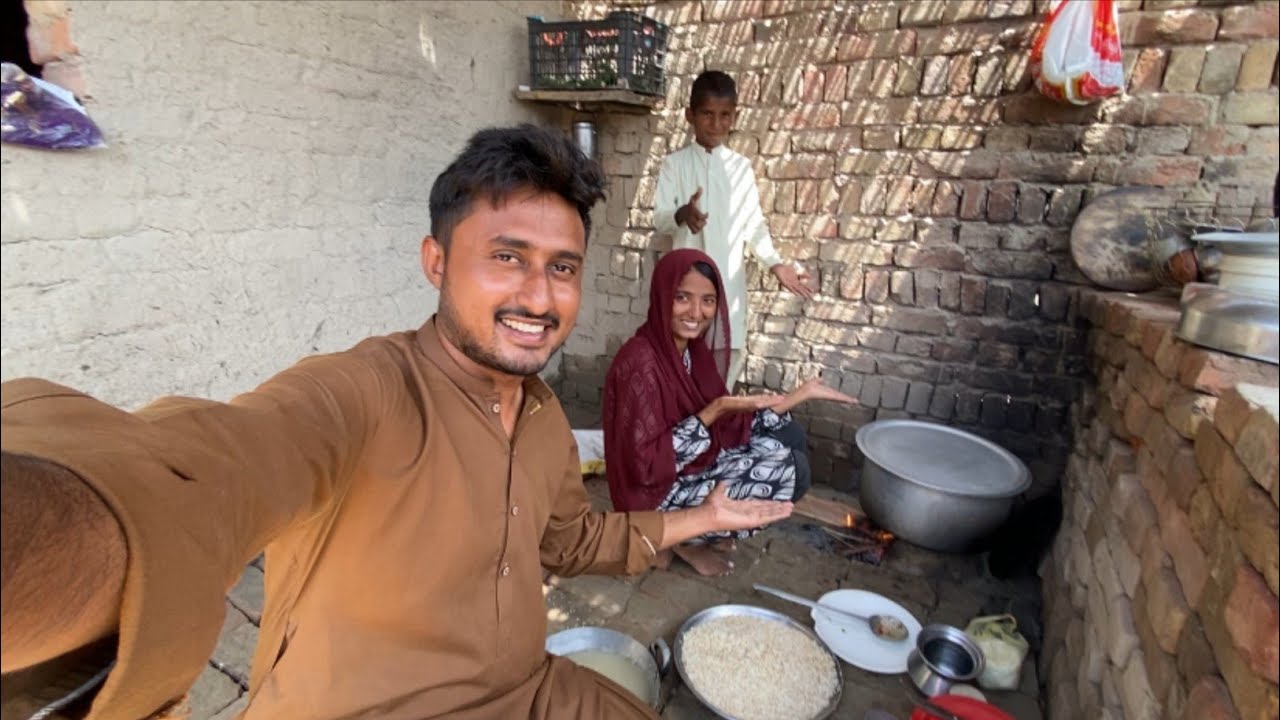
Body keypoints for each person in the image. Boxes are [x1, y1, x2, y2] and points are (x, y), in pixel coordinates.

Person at [0, 125, 795, 720]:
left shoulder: (544, 415)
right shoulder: (360, 394)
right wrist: (77, 528)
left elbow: (570, 542)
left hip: (527, 690)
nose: (539, 296)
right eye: (507, 257)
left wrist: (703, 517)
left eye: (562, 268)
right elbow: (199, 473)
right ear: (436, 262)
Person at [601, 249, 856, 577]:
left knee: (788, 434)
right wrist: (716, 408)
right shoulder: (640, 363)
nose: (696, 312)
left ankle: (701, 530)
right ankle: (677, 540)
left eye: (708, 301)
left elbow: (731, 426)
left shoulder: (691, 351)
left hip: (689, 465)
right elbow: (645, 466)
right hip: (652, 495)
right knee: (794, 472)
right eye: (682, 297)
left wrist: (798, 396)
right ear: (662, 296)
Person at [653, 70, 814, 387]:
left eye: (724, 115)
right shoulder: (675, 165)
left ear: (734, 117)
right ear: (690, 115)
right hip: (686, 285)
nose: (716, 124)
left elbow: (753, 224)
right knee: (680, 365)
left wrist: (775, 264)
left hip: (727, 287)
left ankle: (717, 416)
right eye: (707, 114)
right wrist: (682, 213)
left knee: (723, 364)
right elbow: (660, 219)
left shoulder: (740, 168)